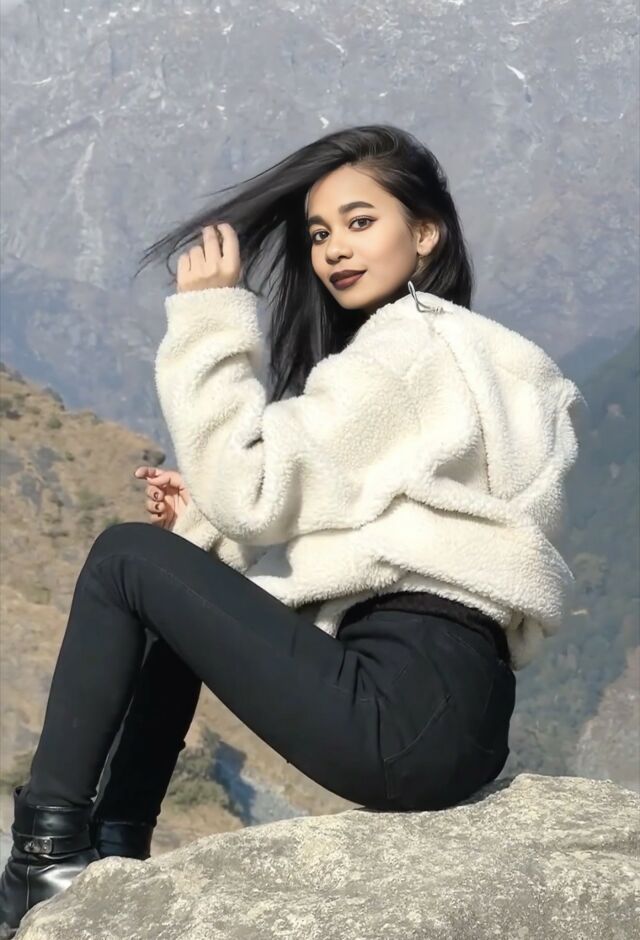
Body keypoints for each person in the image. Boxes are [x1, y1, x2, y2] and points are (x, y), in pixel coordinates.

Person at [0, 123, 586, 937]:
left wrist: (209, 317)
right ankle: (115, 843)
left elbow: (252, 491)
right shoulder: (478, 358)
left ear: (425, 233)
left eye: (360, 221)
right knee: (171, 579)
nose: (334, 248)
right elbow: (376, 530)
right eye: (318, 233)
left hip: (400, 710)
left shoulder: (405, 351)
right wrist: (205, 522)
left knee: (123, 559)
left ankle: (42, 856)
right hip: (463, 716)